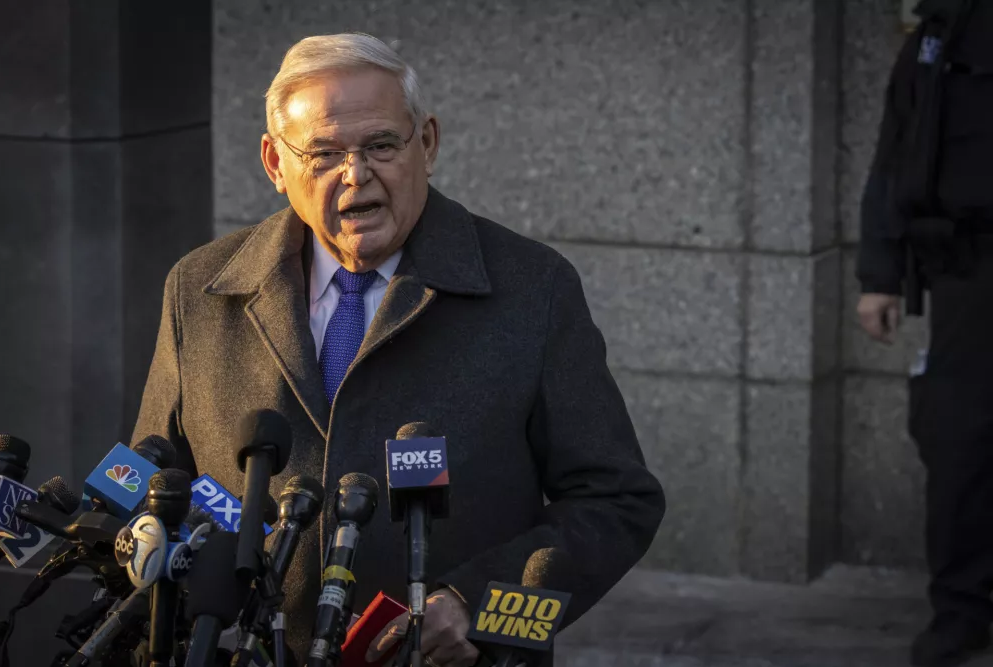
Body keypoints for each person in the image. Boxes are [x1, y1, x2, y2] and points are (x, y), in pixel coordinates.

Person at [132, 32, 665, 666]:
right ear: (275, 164)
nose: (356, 174)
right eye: (324, 153)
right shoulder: (199, 287)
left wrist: (480, 610)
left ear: (427, 144)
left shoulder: (533, 288)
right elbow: (151, 487)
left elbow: (617, 503)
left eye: (382, 145)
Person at [856, 2, 993, 666]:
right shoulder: (942, 33)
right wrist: (880, 275)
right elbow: (896, 155)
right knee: (960, 442)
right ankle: (962, 610)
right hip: (968, 272)